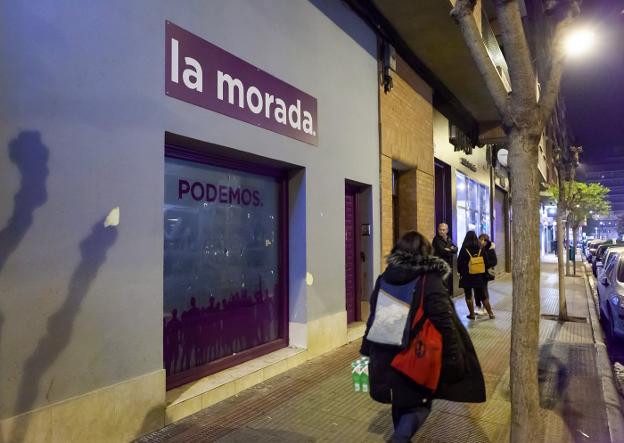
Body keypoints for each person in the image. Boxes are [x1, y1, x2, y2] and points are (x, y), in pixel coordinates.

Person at [361, 231, 486, 443]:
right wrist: (454, 358)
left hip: (384, 351)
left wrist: (366, 351)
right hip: (414, 355)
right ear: (426, 252)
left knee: (400, 402)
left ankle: (401, 437)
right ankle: (399, 439)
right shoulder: (429, 281)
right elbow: (444, 322)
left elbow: (374, 316)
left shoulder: (384, 279)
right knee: (420, 403)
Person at [457, 231, 494, 320]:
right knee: (483, 295)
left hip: (467, 275)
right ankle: (491, 313)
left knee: (468, 295)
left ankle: (472, 315)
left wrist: (460, 272)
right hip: (479, 276)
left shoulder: (464, 249)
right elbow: (487, 262)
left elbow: (459, 262)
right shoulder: (481, 248)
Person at [432, 223, 457, 294]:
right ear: (438, 230)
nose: (441, 231)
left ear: (447, 230)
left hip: (448, 264)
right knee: (442, 282)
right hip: (440, 265)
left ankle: (447, 297)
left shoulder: (448, 238)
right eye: (440, 229)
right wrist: (450, 249)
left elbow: (456, 249)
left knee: (447, 282)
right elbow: (442, 251)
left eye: (443, 230)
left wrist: (449, 249)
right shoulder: (436, 239)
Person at [476, 233, 497, 316]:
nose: (481, 241)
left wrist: (484, 265)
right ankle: (478, 306)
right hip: (477, 272)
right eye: (480, 239)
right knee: (477, 290)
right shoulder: (477, 249)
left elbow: (494, 262)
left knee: (484, 289)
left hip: (485, 273)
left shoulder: (490, 249)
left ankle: (486, 308)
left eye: (483, 240)